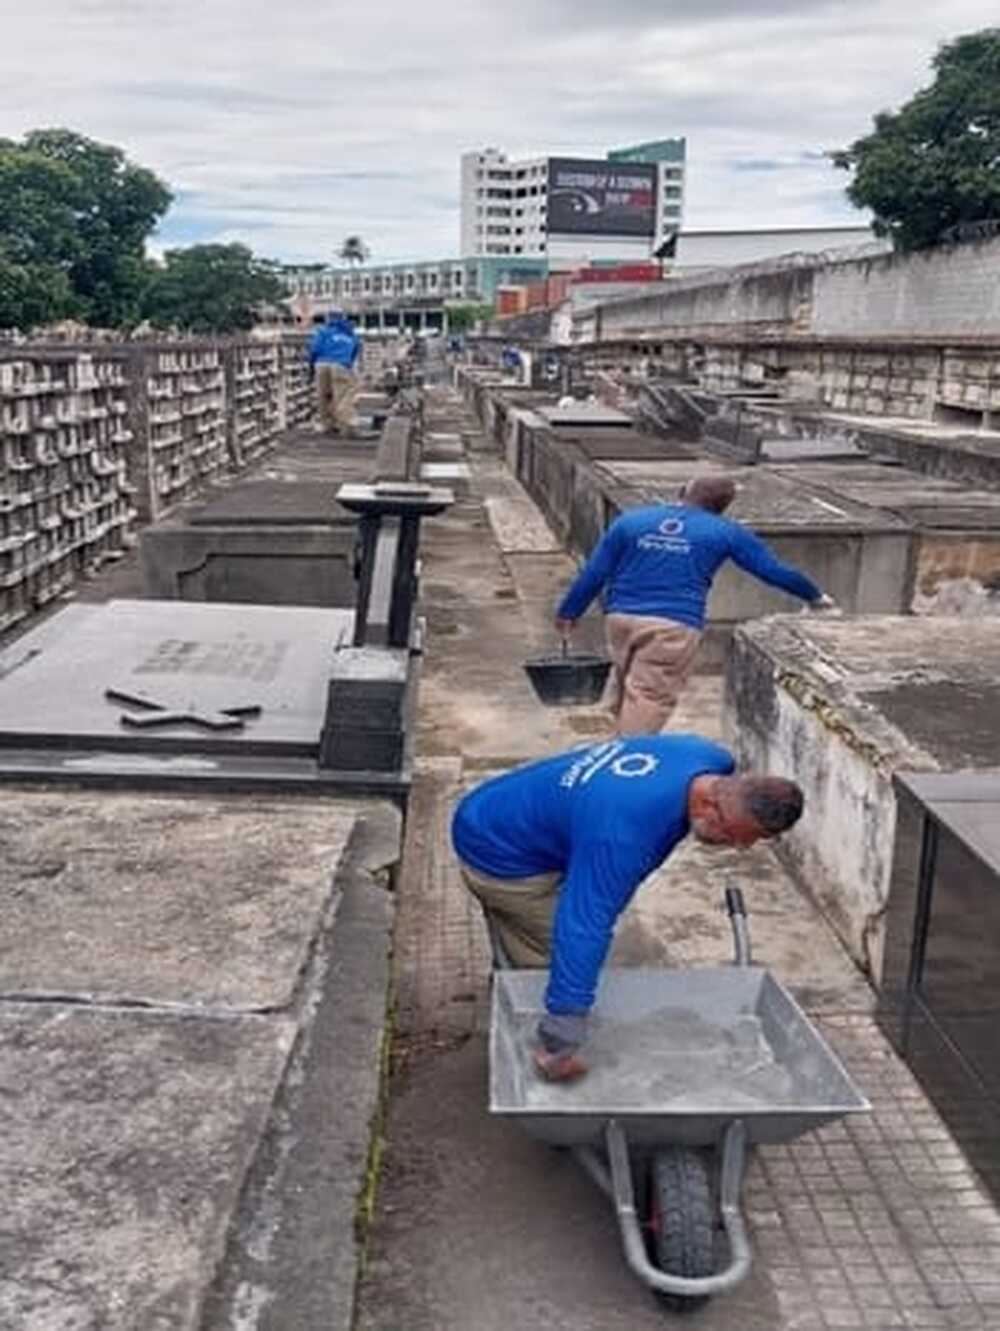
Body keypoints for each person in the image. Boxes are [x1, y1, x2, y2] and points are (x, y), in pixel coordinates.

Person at [452, 732, 804, 1082]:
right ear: (712, 804)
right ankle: (533, 1058)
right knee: (551, 961)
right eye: (736, 834)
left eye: (753, 840)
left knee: (580, 941)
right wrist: (566, 1026)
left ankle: (515, 985)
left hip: (516, 805)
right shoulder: (622, 834)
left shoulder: (708, 757)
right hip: (495, 847)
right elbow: (582, 925)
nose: (741, 847)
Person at [555, 475, 836, 735]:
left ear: (681, 493)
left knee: (626, 684)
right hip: (672, 625)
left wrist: (570, 610)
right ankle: (625, 764)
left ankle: (615, 742)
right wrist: (815, 596)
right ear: (723, 507)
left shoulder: (632, 521)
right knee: (649, 696)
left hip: (620, 618)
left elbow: (595, 570)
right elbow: (773, 570)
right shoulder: (725, 531)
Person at [308, 310, 363, 435]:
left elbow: (314, 348)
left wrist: (311, 365)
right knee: (344, 395)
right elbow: (356, 349)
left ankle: (326, 424)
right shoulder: (349, 333)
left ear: (328, 318)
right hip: (341, 364)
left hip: (321, 364)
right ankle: (347, 424)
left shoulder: (322, 331)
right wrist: (349, 363)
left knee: (324, 395)